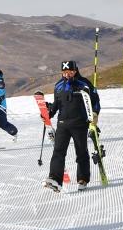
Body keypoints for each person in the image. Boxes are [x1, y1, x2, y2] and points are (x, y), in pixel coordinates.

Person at [43, 61, 100, 192]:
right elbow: (56, 105)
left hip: (80, 124)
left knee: (81, 152)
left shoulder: (84, 83)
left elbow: (95, 101)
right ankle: (55, 180)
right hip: (62, 124)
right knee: (58, 152)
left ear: (75, 70)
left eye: (70, 72)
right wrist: (48, 113)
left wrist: (95, 114)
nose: (67, 74)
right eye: (64, 72)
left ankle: (83, 179)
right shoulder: (58, 86)